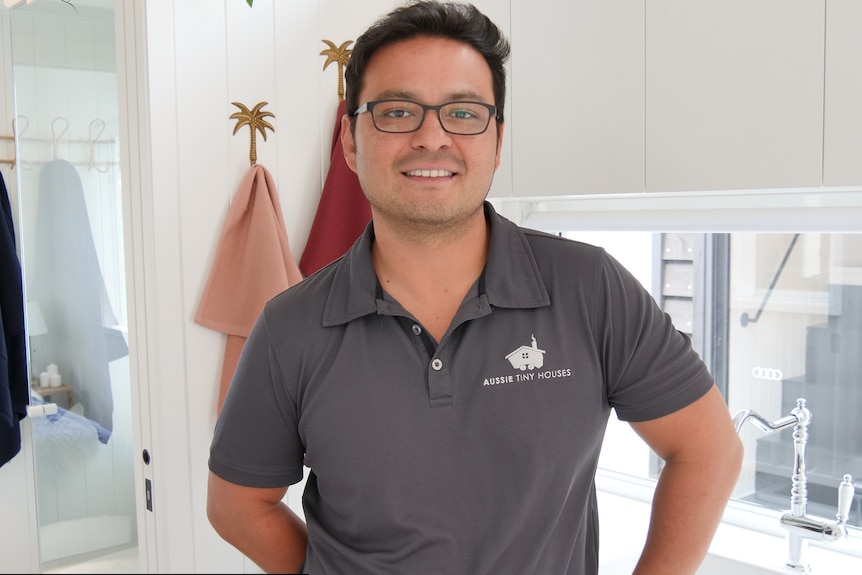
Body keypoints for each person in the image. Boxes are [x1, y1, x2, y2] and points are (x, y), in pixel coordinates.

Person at [206, 1, 744, 573]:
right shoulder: (291, 327)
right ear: (351, 140)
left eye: (463, 113)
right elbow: (237, 506)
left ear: (497, 139)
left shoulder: (590, 289)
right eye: (396, 111)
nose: (431, 138)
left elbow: (708, 449)